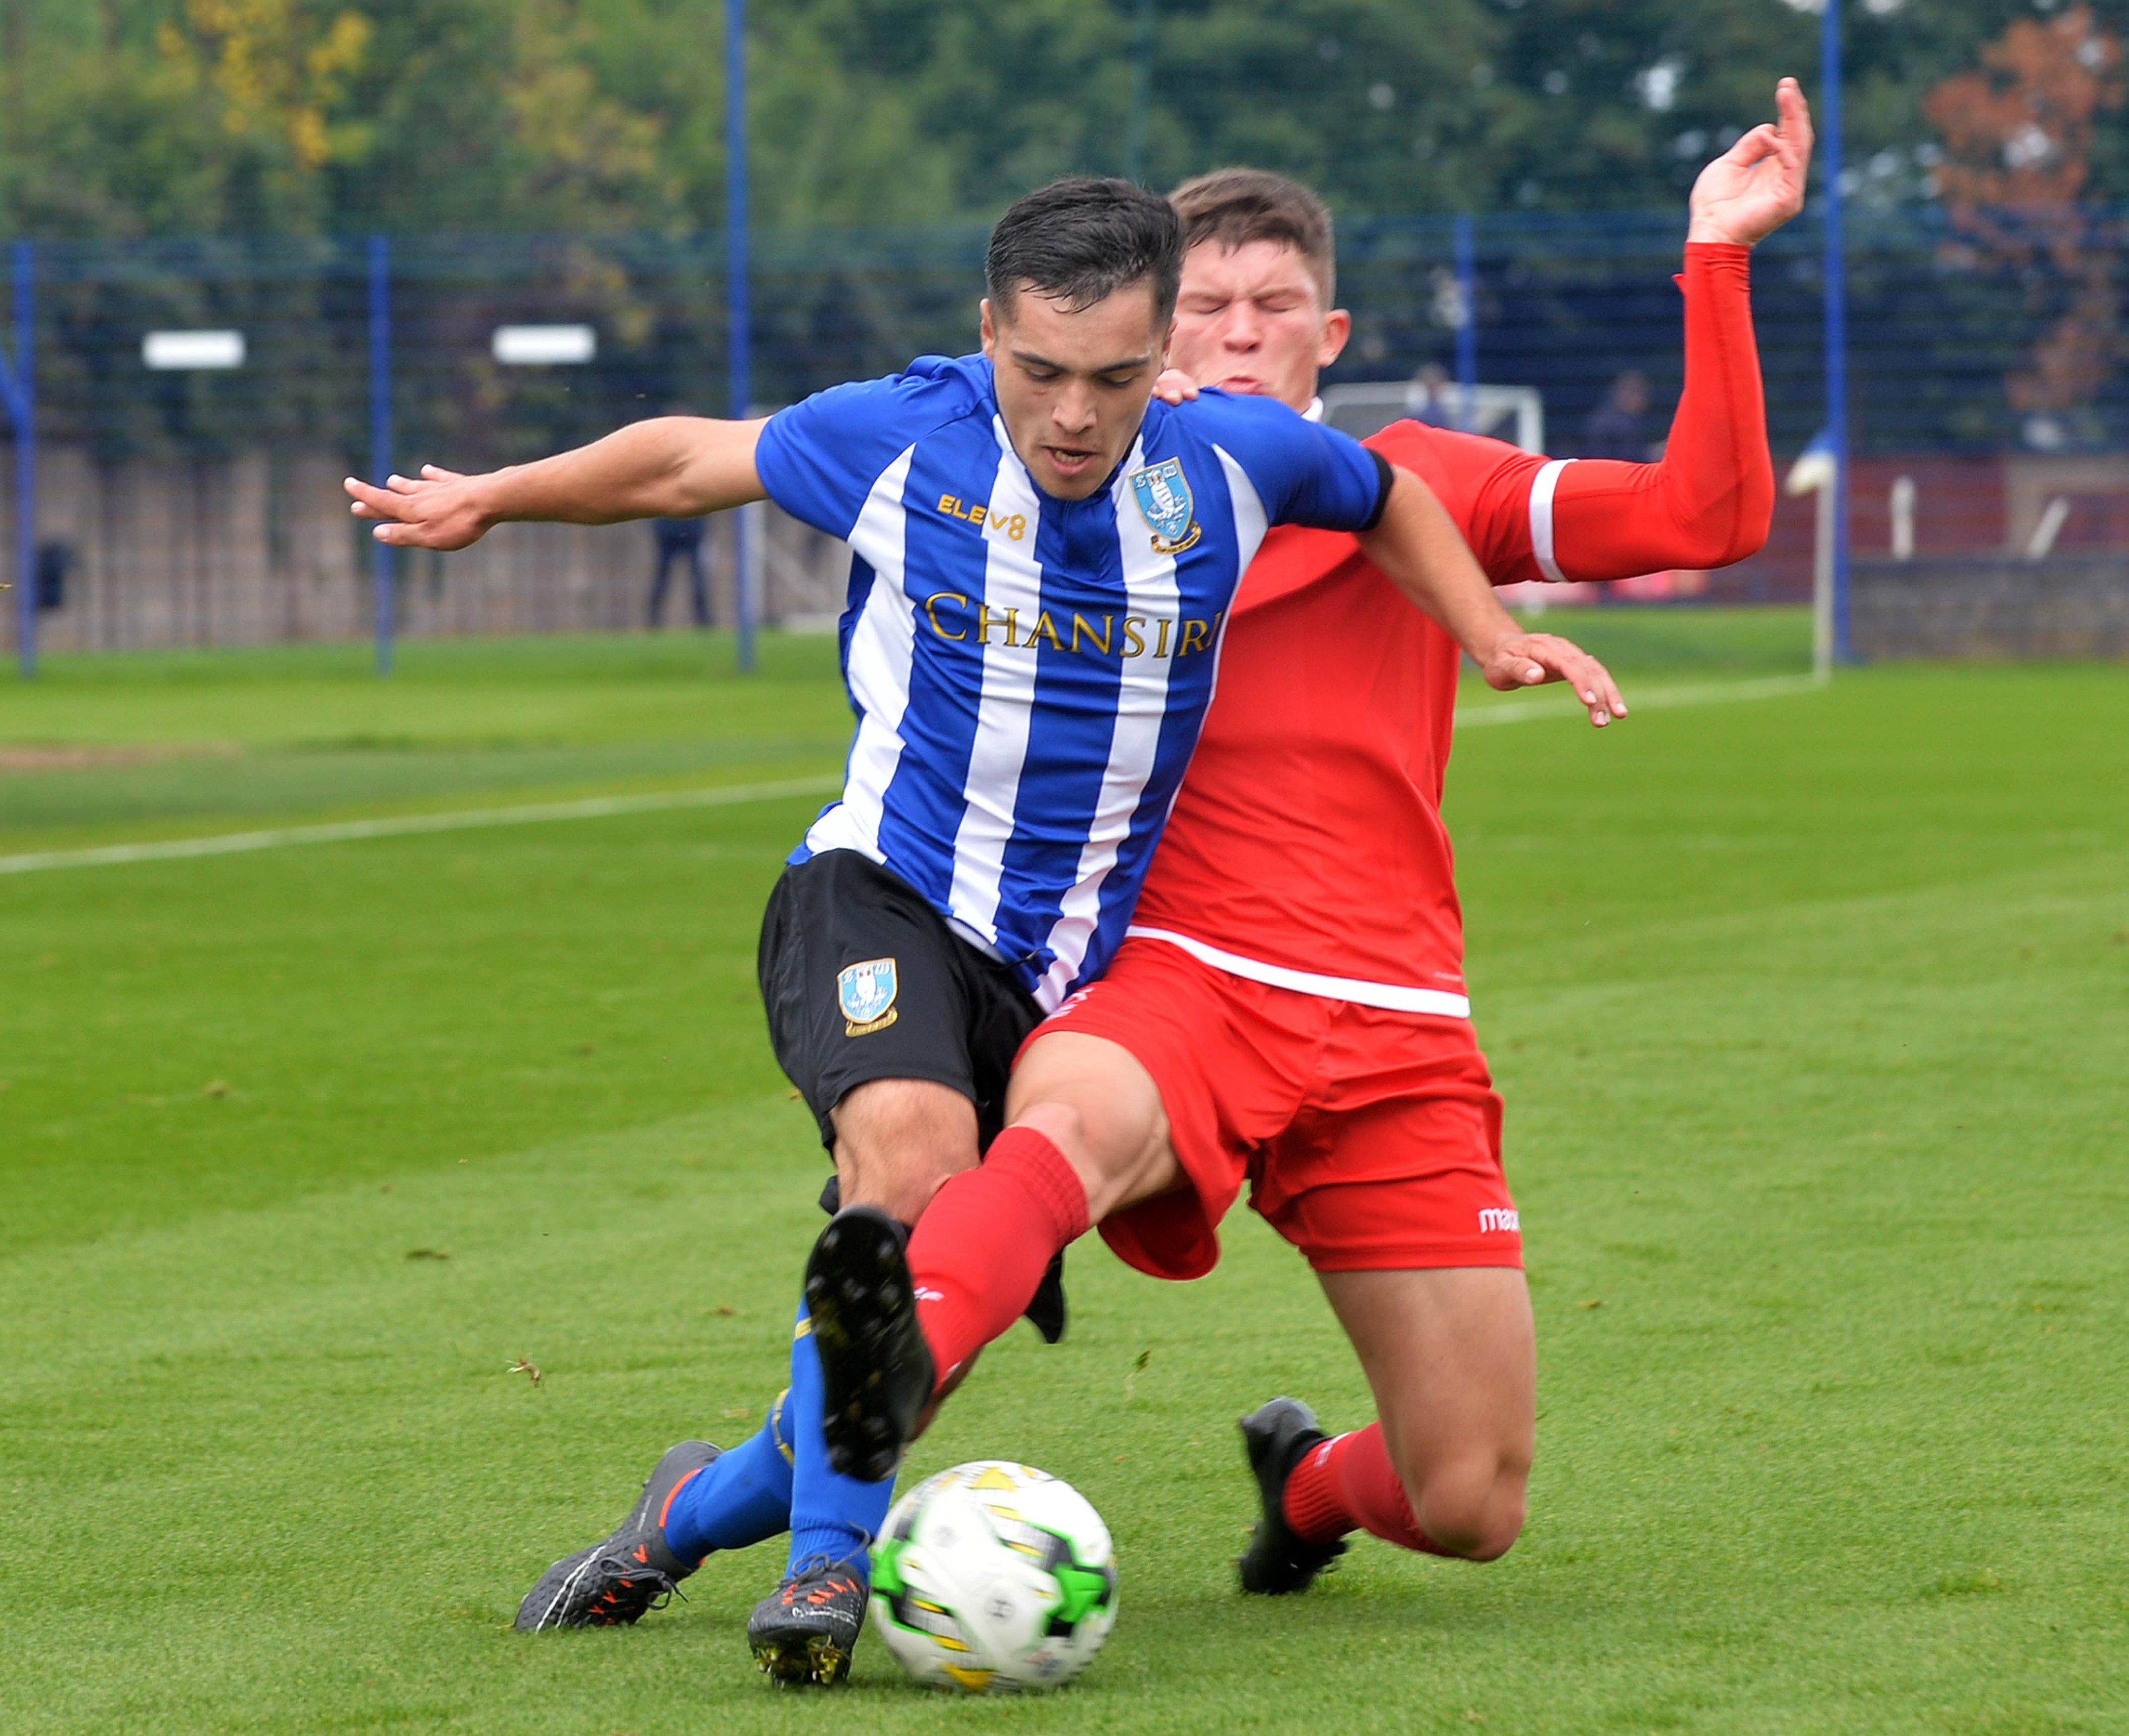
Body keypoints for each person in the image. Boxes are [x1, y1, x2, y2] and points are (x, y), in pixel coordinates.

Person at [345, 175, 1621, 1686]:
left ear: (1164, 353)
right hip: (883, 890)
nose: (1074, 415)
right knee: (907, 1165)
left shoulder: (1228, 462)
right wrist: (494, 494)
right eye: (1039, 371)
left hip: (1058, 968)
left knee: (917, 1342)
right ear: (987, 334)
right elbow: (691, 456)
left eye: (1115, 377)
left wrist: (1489, 634)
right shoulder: (906, 433)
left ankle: (691, 1510)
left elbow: (1387, 494)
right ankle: (826, 1572)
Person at [804, 78, 1804, 1595]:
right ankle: (878, 1388)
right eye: (1206, 306)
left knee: (1469, 1497)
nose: (1240, 332)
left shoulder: (1414, 490)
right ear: (1152, 332)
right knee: (1060, 1128)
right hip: (1178, 986)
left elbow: (1704, 517)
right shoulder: (1052, 499)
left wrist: (1717, 257)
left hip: (1393, 1019)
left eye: (1275, 305)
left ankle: (1308, 1487)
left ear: (1327, 336)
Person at [648, 516, 711, 627]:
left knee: (697, 581)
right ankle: (653, 620)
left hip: (684, 531)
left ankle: (704, 621)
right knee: (663, 580)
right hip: (673, 532)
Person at [1582, 367, 1654, 461]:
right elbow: (1627, 457)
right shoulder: (1612, 424)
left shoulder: (1633, 421)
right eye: (1638, 392)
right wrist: (1651, 454)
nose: (1644, 398)